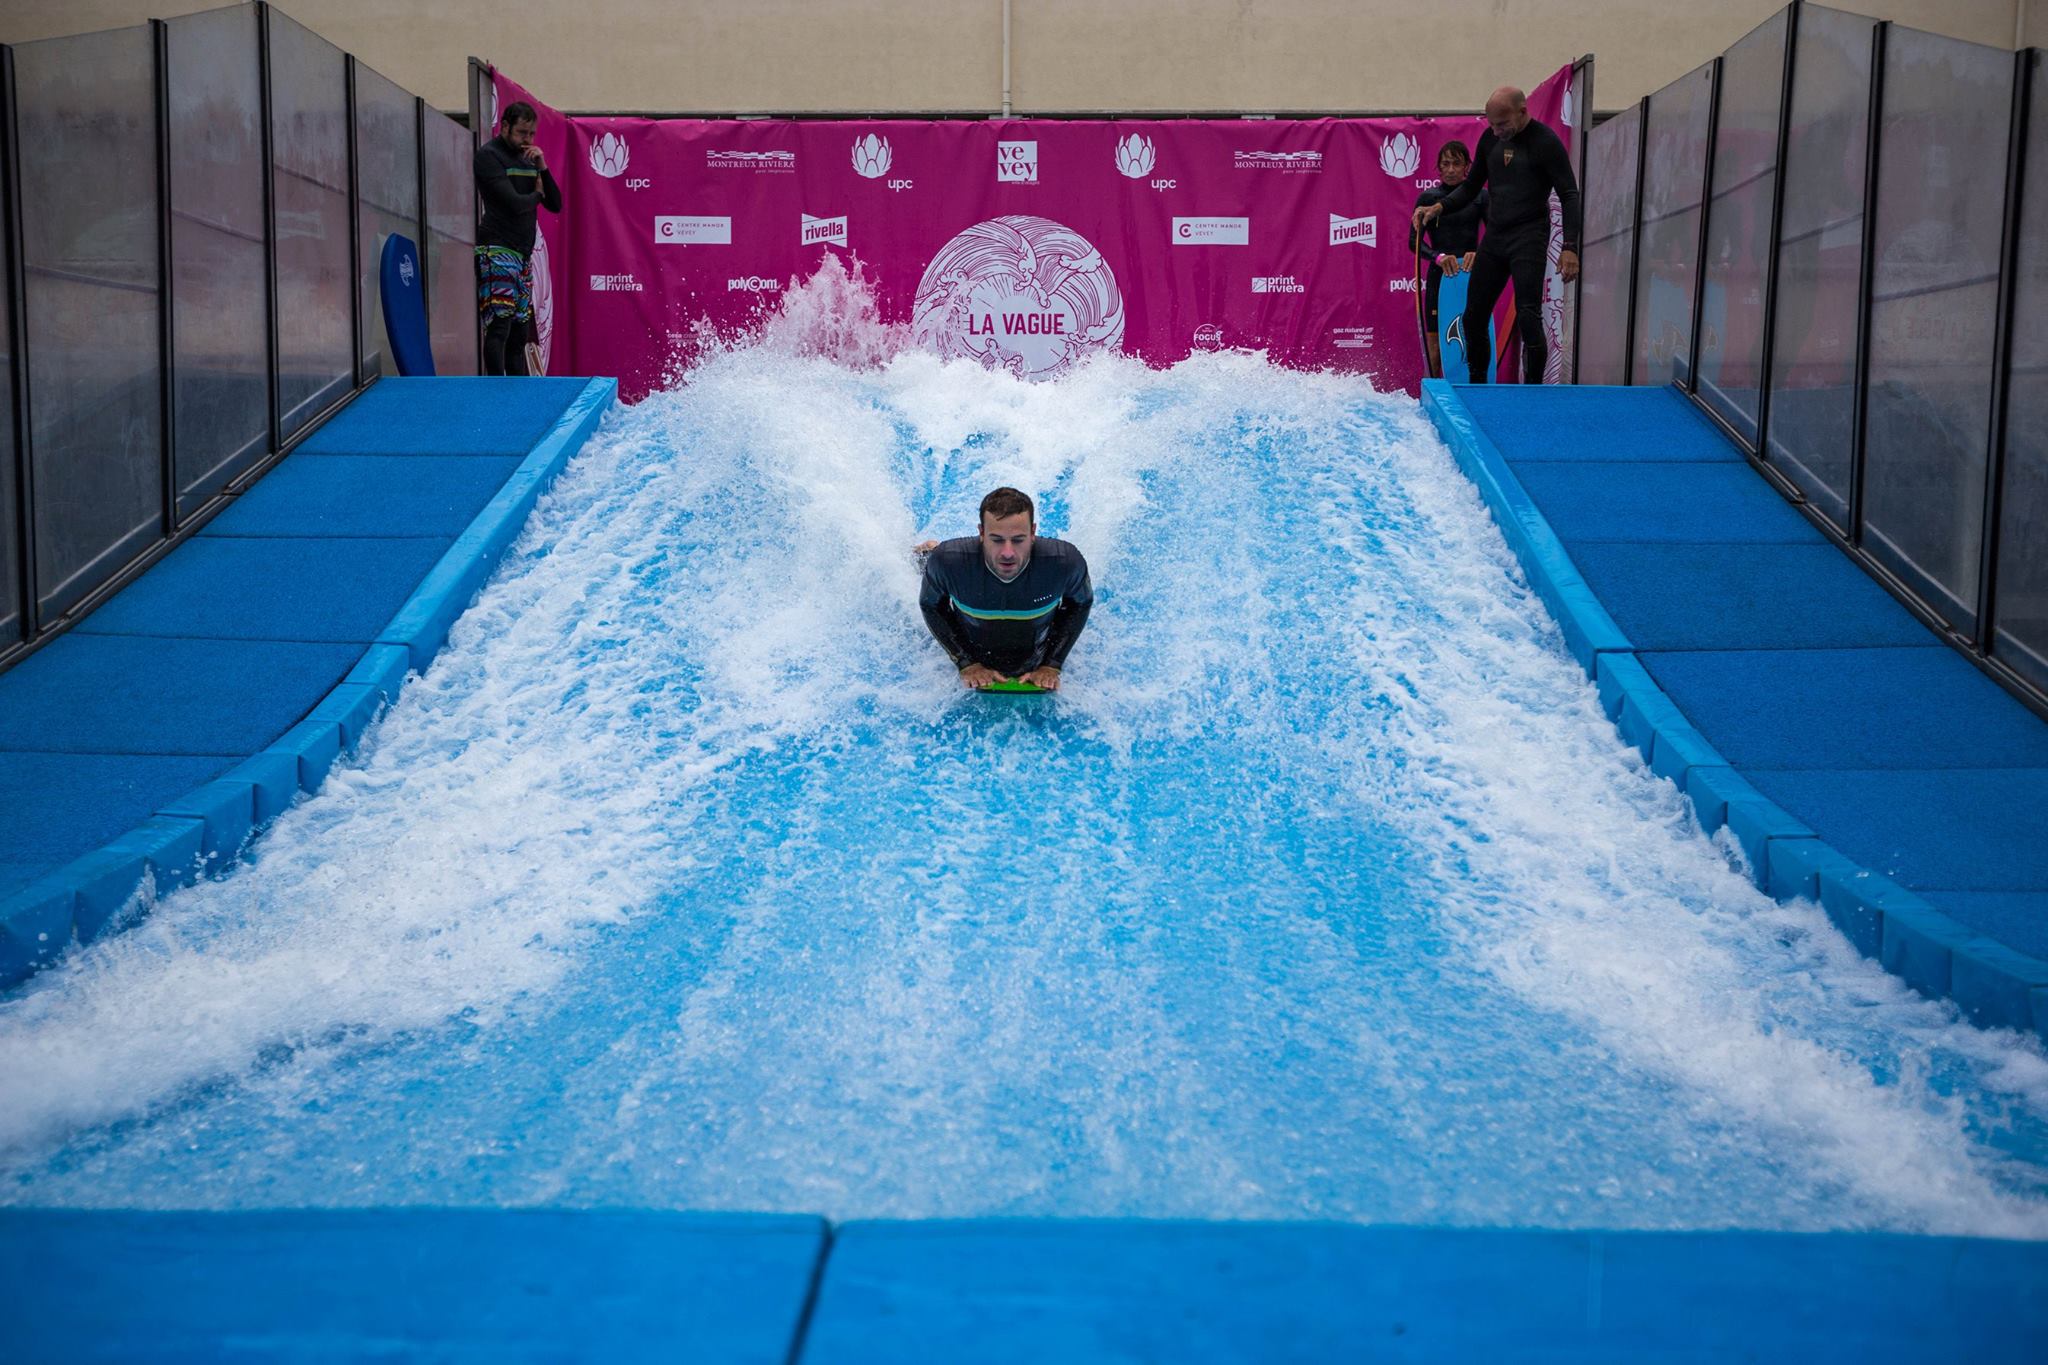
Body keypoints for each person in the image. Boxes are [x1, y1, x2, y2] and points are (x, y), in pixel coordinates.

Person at [1413, 86, 1581, 385]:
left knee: (1529, 316)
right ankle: (1479, 385)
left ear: (1522, 111)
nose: (1496, 130)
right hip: (1496, 237)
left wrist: (1569, 247)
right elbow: (1472, 186)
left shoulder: (1545, 142)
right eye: (1491, 123)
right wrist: (1440, 206)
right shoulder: (1490, 138)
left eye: (1502, 124)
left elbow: (1569, 194)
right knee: (1473, 317)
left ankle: (1533, 392)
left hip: (1529, 236)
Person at [916, 487, 1092, 691]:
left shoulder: (1064, 563)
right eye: (997, 540)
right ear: (981, 533)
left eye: (1018, 540)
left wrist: (1051, 665)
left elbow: (1080, 603)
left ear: (1033, 533)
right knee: (933, 561)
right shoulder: (947, 562)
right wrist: (966, 663)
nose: (1008, 553)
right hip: (956, 563)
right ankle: (926, 551)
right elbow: (931, 605)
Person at [473, 101, 561, 376]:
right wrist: (536, 195)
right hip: (496, 249)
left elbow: (556, 204)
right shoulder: (489, 156)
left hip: (523, 254)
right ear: (505, 127)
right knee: (500, 324)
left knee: (520, 330)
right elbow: (513, 203)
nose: (528, 140)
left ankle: (518, 396)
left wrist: (543, 167)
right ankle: (495, 393)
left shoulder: (529, 158)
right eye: (522, 133)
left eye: (532, 134)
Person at [1408, 140, 1488, 380]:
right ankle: (1433, 398)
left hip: (1472, 275)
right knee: (1435, 346)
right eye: (1446, 164)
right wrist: (1438, 257)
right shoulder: (1428, 198)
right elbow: (1414, 242)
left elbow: (1496, 232)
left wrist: (1480, 253)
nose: (1451, 169)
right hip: (1440, 277)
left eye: (1456, 163)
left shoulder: (1480, 197)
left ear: (1467, 167)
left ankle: (1476, 391)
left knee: (1474, 337)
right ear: (1438, 169)